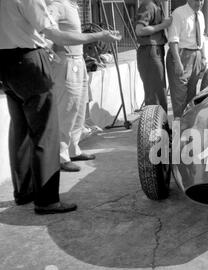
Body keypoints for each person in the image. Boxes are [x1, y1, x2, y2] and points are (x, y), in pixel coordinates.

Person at [0, 0, 120, 214]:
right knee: (46, 132)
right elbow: (54, 34)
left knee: (20, 131)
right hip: (29, 60)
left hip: (6, 63)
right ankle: (46, 200)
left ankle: (24, 192)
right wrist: (99, 36)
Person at [46, 0, 95, 172]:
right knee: (67, 109)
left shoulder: (72, 6)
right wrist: (53, 55)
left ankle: (74, 149)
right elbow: (47, 32)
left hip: (78, 60)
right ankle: (61, 156)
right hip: (67, 62)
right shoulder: (57, 5)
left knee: (79, 108)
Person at [166, 0, 207, 118]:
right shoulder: (178, 13)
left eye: (201, 0)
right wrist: (178, 63)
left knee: (192, 97)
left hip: (196, 56)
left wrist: (203, 57)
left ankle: (189, 131)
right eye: (196, 0)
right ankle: (177, 134)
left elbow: (202, 37)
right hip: (181, 56)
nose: (199, 3)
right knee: (179, 99)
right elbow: (173, 40)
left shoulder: (201, 15)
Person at [135, 0, 172, 115]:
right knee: (154, 94)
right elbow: (139, 30)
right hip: (150, 50)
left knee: (160, 92)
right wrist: (162, 25)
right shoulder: (148, 5)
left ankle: (161, 127)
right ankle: (154, 129)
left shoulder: (158, 5)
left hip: (156, 49)